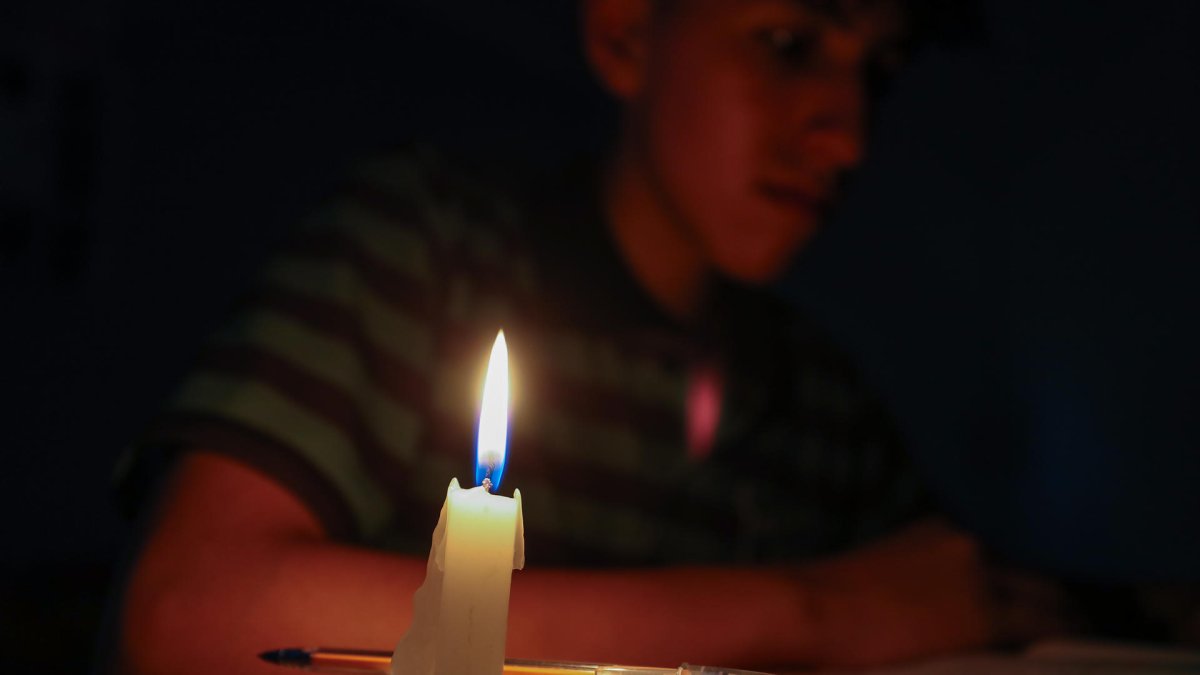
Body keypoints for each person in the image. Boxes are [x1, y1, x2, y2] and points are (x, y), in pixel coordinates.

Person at [111, 1, 1075, 673]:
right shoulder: (424, 245)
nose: (846, 134)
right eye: (788, 41)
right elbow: (188, 619)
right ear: (625, 33)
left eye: (878, 71)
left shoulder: (821, 395)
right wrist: (808, 613)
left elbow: (957, 594)